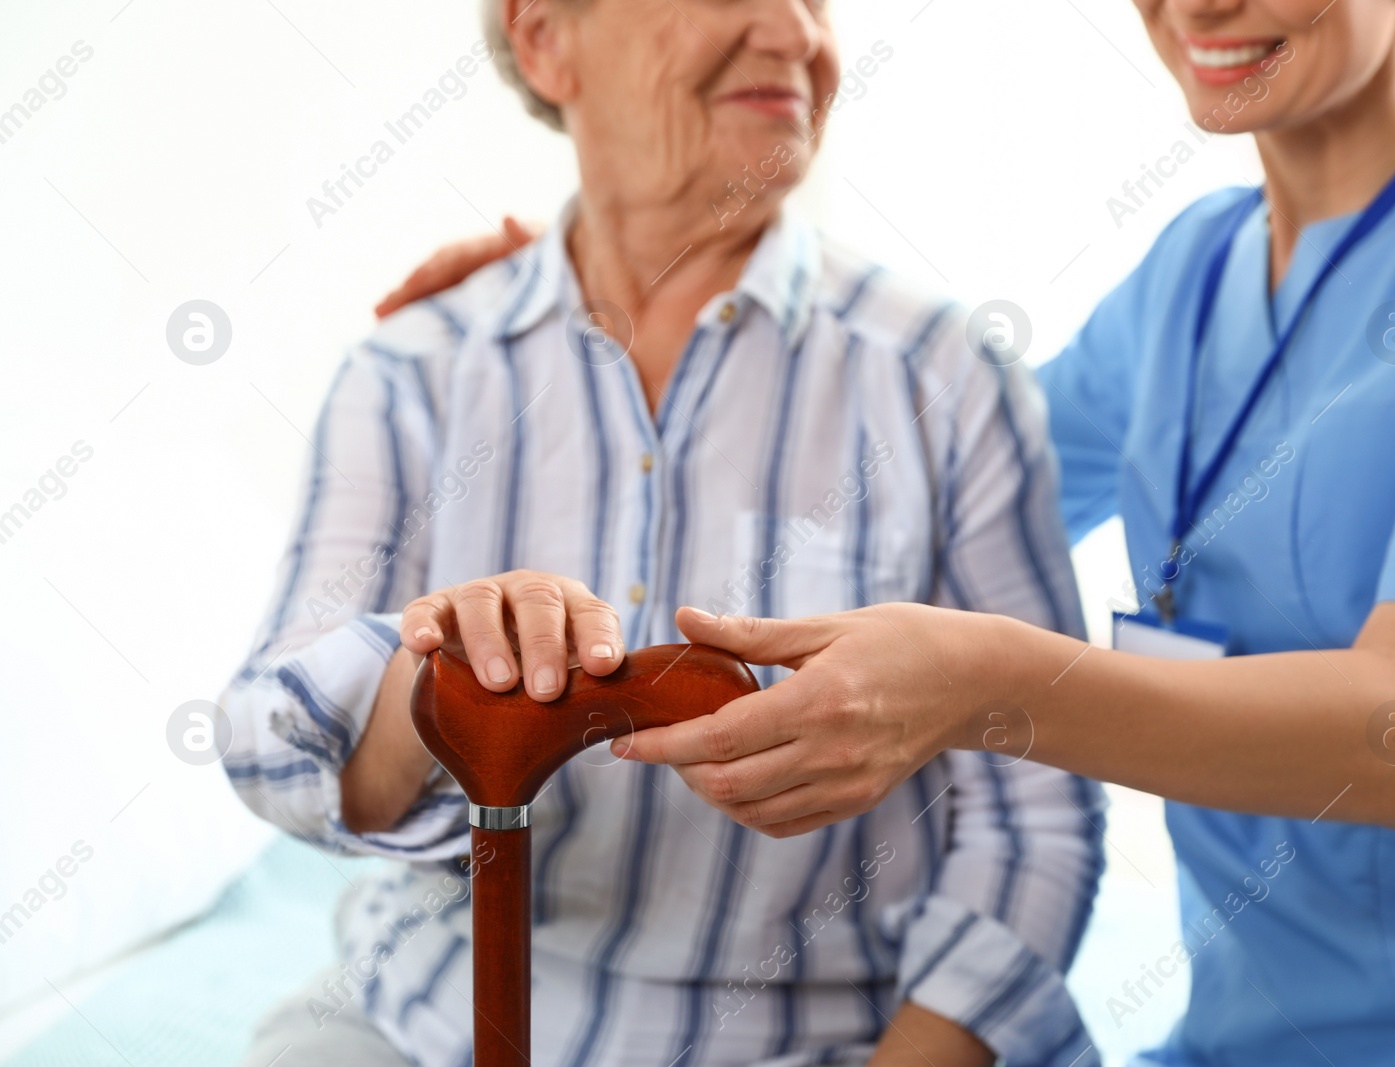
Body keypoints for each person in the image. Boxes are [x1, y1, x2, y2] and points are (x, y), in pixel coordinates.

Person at [387, 1, 1395, 1064]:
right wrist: (619, 297)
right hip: (1229, 1042)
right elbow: (889, 476)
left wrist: (988, 689)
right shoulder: (1191, 272)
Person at [221, 1, 1104, 1065]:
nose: (793, 33)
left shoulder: (945, 376)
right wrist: (437, 688)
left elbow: (1039, 812)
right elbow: (275, 743)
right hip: (425, 1020)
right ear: (546, 38)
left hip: (827, 1037)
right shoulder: (411, 371)